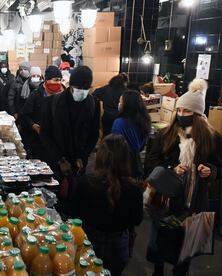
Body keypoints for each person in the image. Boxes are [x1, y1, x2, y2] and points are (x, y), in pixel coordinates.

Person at [144, 79, 222, 276]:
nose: (181, 115)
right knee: (158, 239)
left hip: (194, 201)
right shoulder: (165, 135)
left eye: (186, 112)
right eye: (179, 111)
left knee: (186, 244)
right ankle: (158, 269)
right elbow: (151, 164)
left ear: (197, 114)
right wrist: (170, 169)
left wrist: (210, 171)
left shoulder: (212, 138)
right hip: (164, 198)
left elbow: (219, 167)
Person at [72, 134, 143, 276]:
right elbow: (137, 219)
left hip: (89, 240)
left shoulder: (86, 182)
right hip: (118, 244)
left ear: (100, 155)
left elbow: (76, 213)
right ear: (126, 158)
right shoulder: (134, 188)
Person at [42, 66, 100, 178]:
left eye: (86, 88)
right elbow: (45, 133)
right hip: (55, 164)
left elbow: (94, 134)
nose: (82, 91)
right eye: (78, 87)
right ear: (71, 85)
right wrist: (60, 160)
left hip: (79, 165)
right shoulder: (52, 103)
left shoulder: (93, 104)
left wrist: (82, 157)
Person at [19, 66, 61, 159]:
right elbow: (24, 115)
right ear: (47, 80)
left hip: (56, 142)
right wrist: (32, 125)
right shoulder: (36, 95)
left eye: (60, 80)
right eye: (55, 80)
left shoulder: (62, 96)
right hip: (38, 141)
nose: (58, 83)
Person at [112, 90, 151, 179]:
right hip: (136, 167)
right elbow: (141, 147)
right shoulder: (145, 121)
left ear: (127, 105)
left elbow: (115, 148)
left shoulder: (119, 123)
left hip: (121, 166)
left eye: (120, 102)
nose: (119, 104)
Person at [93, 73, 128, 137]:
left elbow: (94, 94)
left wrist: (102, 99)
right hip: (120, 117)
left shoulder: (106, 88)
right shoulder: (125, 91)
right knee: (118, 137)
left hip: (107, 115)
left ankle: (105, 146)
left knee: (106, 135)